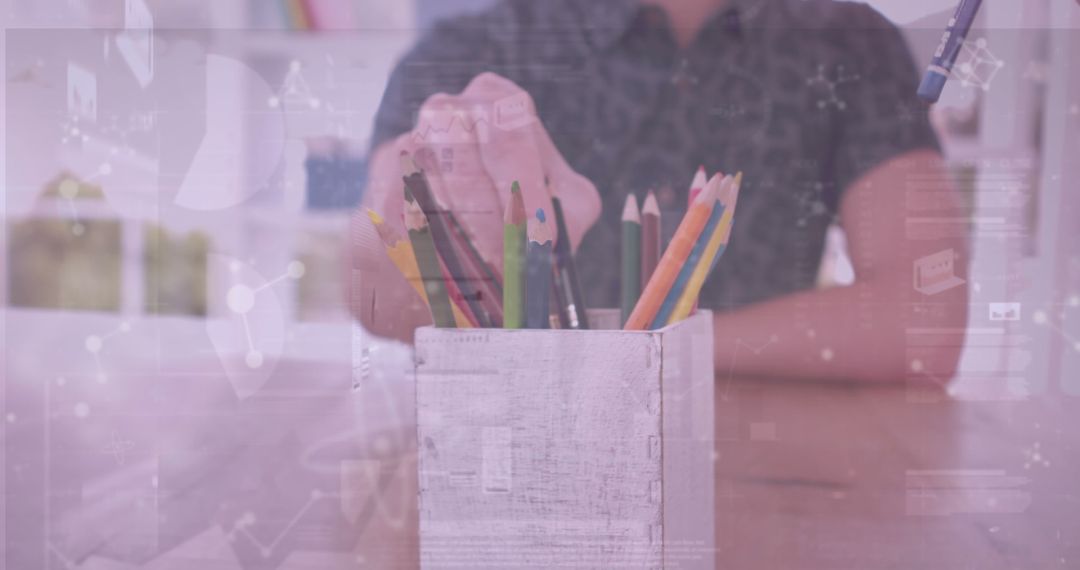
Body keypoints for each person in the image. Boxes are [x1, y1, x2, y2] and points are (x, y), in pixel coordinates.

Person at [350, 0, 969, 384]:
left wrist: (636, 360)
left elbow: (925, 318)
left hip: (766, 474)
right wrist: (409, 206)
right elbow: (372, 299)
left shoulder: (849, 44)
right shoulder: (466, 49)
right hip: (512, 462)